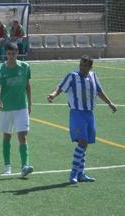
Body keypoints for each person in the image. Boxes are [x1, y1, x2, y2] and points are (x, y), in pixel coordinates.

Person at [47, 56, 117, 184]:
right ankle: (73, 173)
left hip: (89, 114)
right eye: (81, 64)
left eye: (85, 65)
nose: (82, 67)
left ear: (90, 67)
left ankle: (81, 173)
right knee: (82, 142)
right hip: (77, 113)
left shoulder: (93, 76)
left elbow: (99, 91)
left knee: (85, 145)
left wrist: (110, 103)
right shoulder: (72, 76)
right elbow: (61, 88)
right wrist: (53, 95)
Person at [0, 43, 33, 177]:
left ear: (17, 53)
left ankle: (25, 166)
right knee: (7, 136)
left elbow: (28, 86)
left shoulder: (25, 67)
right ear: (6, 54)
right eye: (9, 54)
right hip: (6, 109)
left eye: (13, 54)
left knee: (22, 135)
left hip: (21, 107)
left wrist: (30, 104)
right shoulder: (0, 70)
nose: (11, 56)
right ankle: (7, 166)